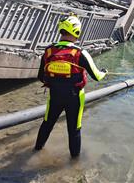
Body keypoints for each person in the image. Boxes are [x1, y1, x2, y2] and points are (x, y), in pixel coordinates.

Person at [34, 14, 107, 158]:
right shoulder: (80, 53)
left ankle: (36, 151)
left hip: (54, 96)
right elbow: (97, 77)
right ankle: (74, 163)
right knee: (74, 129)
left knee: (47, 123)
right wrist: (105, 72)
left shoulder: (48, 51)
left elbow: (40, 77)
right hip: (75, 97)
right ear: (77, 31)